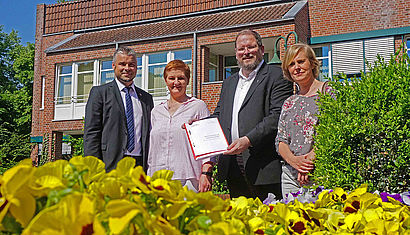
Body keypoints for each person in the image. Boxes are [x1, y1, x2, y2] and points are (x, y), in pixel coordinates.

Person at [212, 30, 293, 200]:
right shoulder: (229, 82)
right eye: (241, 49)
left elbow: (277, 116)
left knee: (269, 222)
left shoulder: (277, 76)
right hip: (233, 165)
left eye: (251, 47)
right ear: (236, 53)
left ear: (262, 49)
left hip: (263, 168)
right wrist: (196, 126)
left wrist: (248, 140)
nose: (246, 52)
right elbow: (219, 115)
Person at [276, 43, 333, 198]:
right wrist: (294, 162)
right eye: (292, 64)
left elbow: (332, 132)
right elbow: (280, 140)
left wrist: (307, 163)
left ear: (312, 63)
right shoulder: (289, 102)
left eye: (301, 62)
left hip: (320, 171)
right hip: (290, 176)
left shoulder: (328, 92)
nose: (297, 67)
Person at [84, 46, 154, 172]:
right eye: (122, 64)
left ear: (136, 67)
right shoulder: (100, 93)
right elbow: (92, 133)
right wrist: (93, 169)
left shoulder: (146, 99)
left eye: (131, 64)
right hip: (110, 164)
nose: (127, 68)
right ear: (113, 66)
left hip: (139, 165)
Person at [147, 60, 213, 192]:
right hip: (158, 179)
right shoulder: (156, 111)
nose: (176, 82)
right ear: (166, 81)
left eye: (181, 78)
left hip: (187, 179)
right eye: (171, 78)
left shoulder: (198, 107)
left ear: (187, 81)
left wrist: (206, 174)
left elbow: (208, 146)